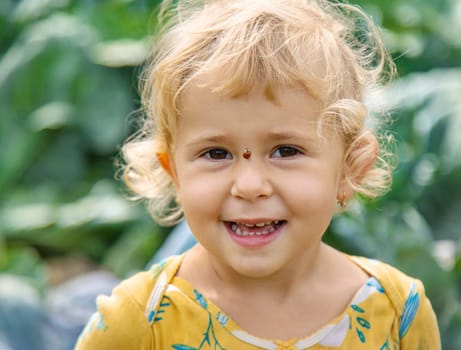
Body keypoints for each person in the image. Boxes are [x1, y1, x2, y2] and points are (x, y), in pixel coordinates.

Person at [75, 0, 441, 348]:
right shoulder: (138, 323)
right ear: (174, 173)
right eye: (216, 153)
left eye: (286, 151)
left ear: (349, 168)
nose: (249, 186)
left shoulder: (398, 314)